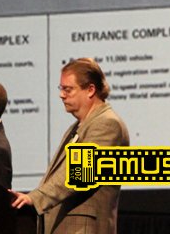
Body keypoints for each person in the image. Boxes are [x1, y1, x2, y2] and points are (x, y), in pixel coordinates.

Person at [9, 58, 129, 234]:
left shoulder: (107, 124)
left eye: (68, 89)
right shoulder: (79, 126)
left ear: (90, 90)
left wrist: (35, 197)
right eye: (61, 88)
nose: (62, 95)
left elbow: (79, 173)